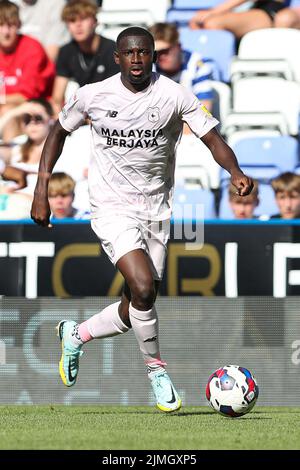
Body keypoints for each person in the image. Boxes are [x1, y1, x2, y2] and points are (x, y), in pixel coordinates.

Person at [31, 26, 253, 413]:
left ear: (153, 55)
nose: (137, 60)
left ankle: (76, 334)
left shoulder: (175, 95)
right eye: (129, 53)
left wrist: (235, 172)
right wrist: (41, 190)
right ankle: (156, 371)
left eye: (144, 53)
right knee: (143, 285)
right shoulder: (93, 95)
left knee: (138, 300)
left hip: (157, 210)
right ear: (117, 58)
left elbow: (213, 139)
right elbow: (57, 133)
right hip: (110, 206)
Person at [52, 0, 119, 115]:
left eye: (83, 19)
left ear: (95, 21)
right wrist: (62, 122)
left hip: (109, 110)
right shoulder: (66, 51)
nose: (78, 25)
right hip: (80, 112)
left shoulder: (111, 48)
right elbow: (57, 98)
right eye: (72, 21)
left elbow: (116, 93)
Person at [0, 0, 55, 141]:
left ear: (19, 24)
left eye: (11, 25)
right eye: (1, 25)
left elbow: (26, 97)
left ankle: (11, 161)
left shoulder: (32, 48)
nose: (6, 32)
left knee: (8, 111)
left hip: (37, 107)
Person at [149, 22, 214, 112]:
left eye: (165, 51)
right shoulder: (148, 66)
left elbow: (205, 107)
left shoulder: (197, 65)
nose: (160, 56)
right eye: (155, 53)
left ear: (178, 46)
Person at [189, 0, 289, 38]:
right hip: (251, 8)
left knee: (212, 23)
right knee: (198, 24)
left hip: (269, 10)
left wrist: (213, 12)